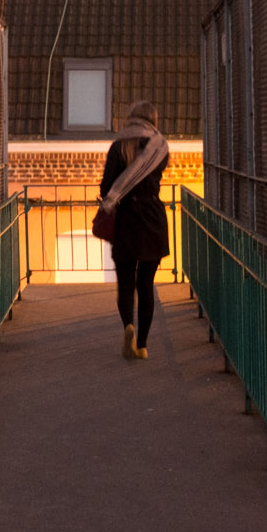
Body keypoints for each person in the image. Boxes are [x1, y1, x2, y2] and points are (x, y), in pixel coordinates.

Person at [99, 101, 170, 359]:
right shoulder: (160, 147)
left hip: (126, 220)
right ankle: (142, 345)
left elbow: (107, 187)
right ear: (153, 119)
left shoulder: (118, 145)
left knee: (126, 283)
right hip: (152, 219)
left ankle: (128, 325)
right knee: (147, 285)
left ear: (131, 118)